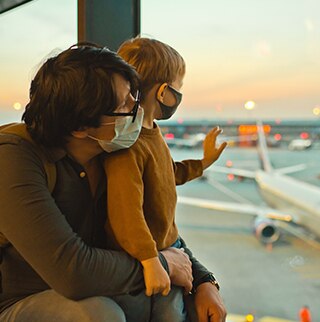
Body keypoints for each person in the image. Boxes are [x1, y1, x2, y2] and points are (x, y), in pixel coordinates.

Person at [0, 43, 226, 322]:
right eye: (125, 104)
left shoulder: (110, 149)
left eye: (134, 95)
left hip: (100, 287)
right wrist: (164, 265)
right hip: (24, 300)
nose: (137, 107)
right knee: (98, 315)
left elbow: (155, 225)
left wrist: (204, 281)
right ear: (80, 126)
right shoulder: (14, 158)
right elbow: (73, 271)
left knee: (181, 306)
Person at [103, 36, 227, 322]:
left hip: (168, 251)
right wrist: (150, 260)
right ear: (163, 92)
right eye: (178, 88)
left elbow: (168, 174)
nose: (179, 96)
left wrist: (203, 163)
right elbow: (126, 213)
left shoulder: (151, 132)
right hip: (147, 260)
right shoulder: (129, 145)